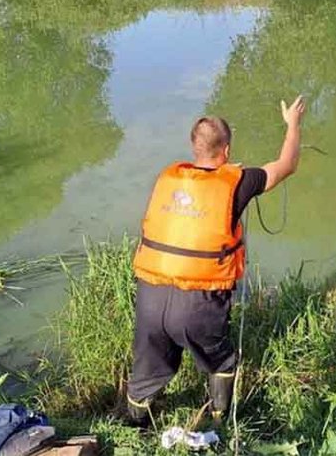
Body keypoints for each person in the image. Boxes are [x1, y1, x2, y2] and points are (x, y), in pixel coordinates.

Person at [126, 95, 307, 425]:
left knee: (146, 370)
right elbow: (286, 164)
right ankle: (219, 421)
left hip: (150, 298)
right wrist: (293, 124)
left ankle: (134, 425)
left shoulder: (169, 178)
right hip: (197, 304)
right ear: (227, 150)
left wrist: (223, 173)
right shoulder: (240, 181)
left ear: (194, 147)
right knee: (219, 361)